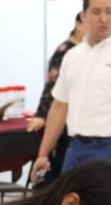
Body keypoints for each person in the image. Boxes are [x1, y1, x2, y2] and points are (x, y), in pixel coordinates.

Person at [29, 0, 111, 193]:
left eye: (109, 12)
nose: (104, 18)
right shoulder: (72, 56)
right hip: (76, 146)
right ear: (83, 16)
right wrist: (43, 154)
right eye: (97, 12)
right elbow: (59, 107)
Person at [27, 13, 85, 188]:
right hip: (64, 123)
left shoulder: (86, 51)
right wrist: (41, 114)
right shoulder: (66, 52)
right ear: (79, 23)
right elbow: (52, 88)